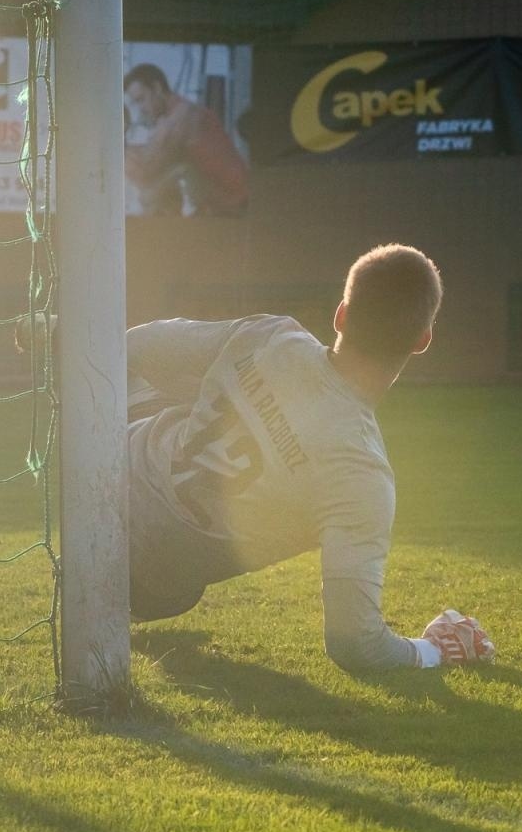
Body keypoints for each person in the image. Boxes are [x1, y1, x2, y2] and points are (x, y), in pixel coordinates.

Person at [124, 244, 494, 671]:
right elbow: (355, 644)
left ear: (341, 314)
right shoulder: (362, 476)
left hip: (103, 460)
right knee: (176, 590)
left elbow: (142, 345)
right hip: (143, 577)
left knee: (178, 380)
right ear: (422, 341)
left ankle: (54, 334)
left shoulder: (272, 337)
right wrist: (434, 650)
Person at [122, 63, 249, 217]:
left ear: (157, 88)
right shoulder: (177, 114)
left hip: (234, 207)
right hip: (222, 204)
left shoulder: (183, 116)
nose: (140, 108)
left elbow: (146, 169)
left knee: (149, 196)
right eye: (136, 103)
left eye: (141, 99)